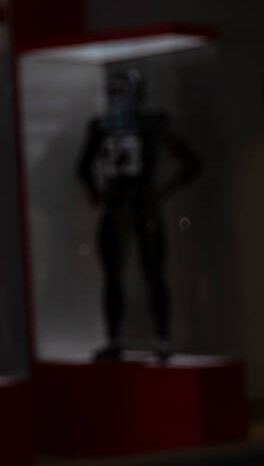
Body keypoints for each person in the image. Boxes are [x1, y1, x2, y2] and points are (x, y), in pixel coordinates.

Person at [77, 68, 201, 362]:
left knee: (153, 273)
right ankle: (115, 337)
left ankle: (162, 336)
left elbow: (191, 162)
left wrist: (160, 191)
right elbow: (83, 166)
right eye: (112, 93)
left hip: (143, 206)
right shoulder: (100, 126)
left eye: (120, 93)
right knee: (113, 276)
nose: (115, 100)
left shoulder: (152, 124)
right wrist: (96, 191)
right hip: (117, 206)